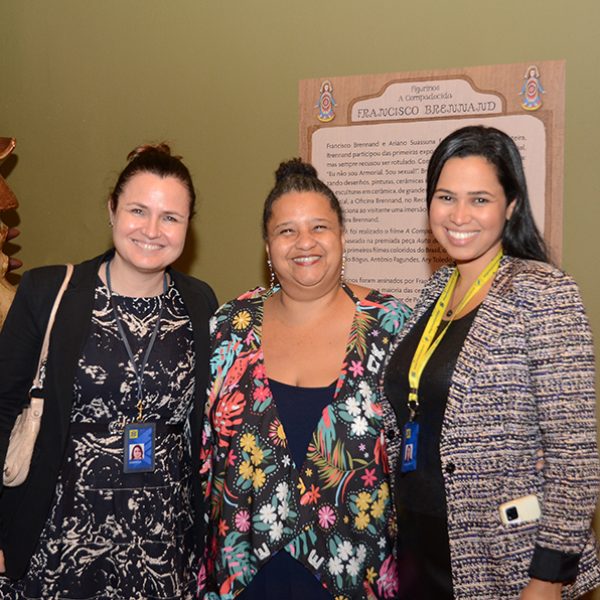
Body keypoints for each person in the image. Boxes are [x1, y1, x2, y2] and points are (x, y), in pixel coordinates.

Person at [381, 125, 600, 599]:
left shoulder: (544, 294)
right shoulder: (432, 294)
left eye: (480, 199)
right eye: (445, 197)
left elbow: (574, 456)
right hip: (419, 548)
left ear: (512, 206)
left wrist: (547, 579)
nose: (459, 215)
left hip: (505, 559)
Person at [0, 143, 218, 598]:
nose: (152, 230)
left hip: (163, 545)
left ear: (187, 227)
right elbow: (2, 408)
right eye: (138, 210)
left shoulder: (199, 304)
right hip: (55, 539)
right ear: (112, 210)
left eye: (170, 218)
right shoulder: (49, 292)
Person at [198, 159, 411, 599]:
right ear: (268, 246)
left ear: (342, 236)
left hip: (354, 574)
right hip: (244, 576)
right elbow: (201, 459)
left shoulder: (393, 328)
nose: (304, 243)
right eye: (286, 231)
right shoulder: (229, 327)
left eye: (319, 227)